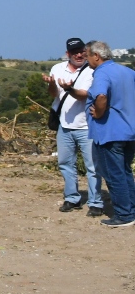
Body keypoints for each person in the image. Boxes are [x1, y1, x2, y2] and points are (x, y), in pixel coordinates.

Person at [41, 38, 102, 215]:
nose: (79, 55)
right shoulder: (57, 68)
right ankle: (72, 198)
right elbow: (54, 95)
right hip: (64, 125)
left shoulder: (92, 70)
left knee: (93, 166)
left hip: (87, 126)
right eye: (74, 52)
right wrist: (52, 85)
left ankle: (95, 202)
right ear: (68, 54)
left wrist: (69, 89)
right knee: (66, 163)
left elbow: (85, 96)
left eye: (81, 51)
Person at [85, 40, 135, 227]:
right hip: (129, 130)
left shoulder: (102, 73)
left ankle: (123, 215)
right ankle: (131, 209)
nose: (86, 59)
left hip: (109, 132)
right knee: (125, 171)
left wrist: (98, 112)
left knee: (114, 174)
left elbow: (101, 96)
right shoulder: (128, 72)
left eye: (88, 55)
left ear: (96, 56)